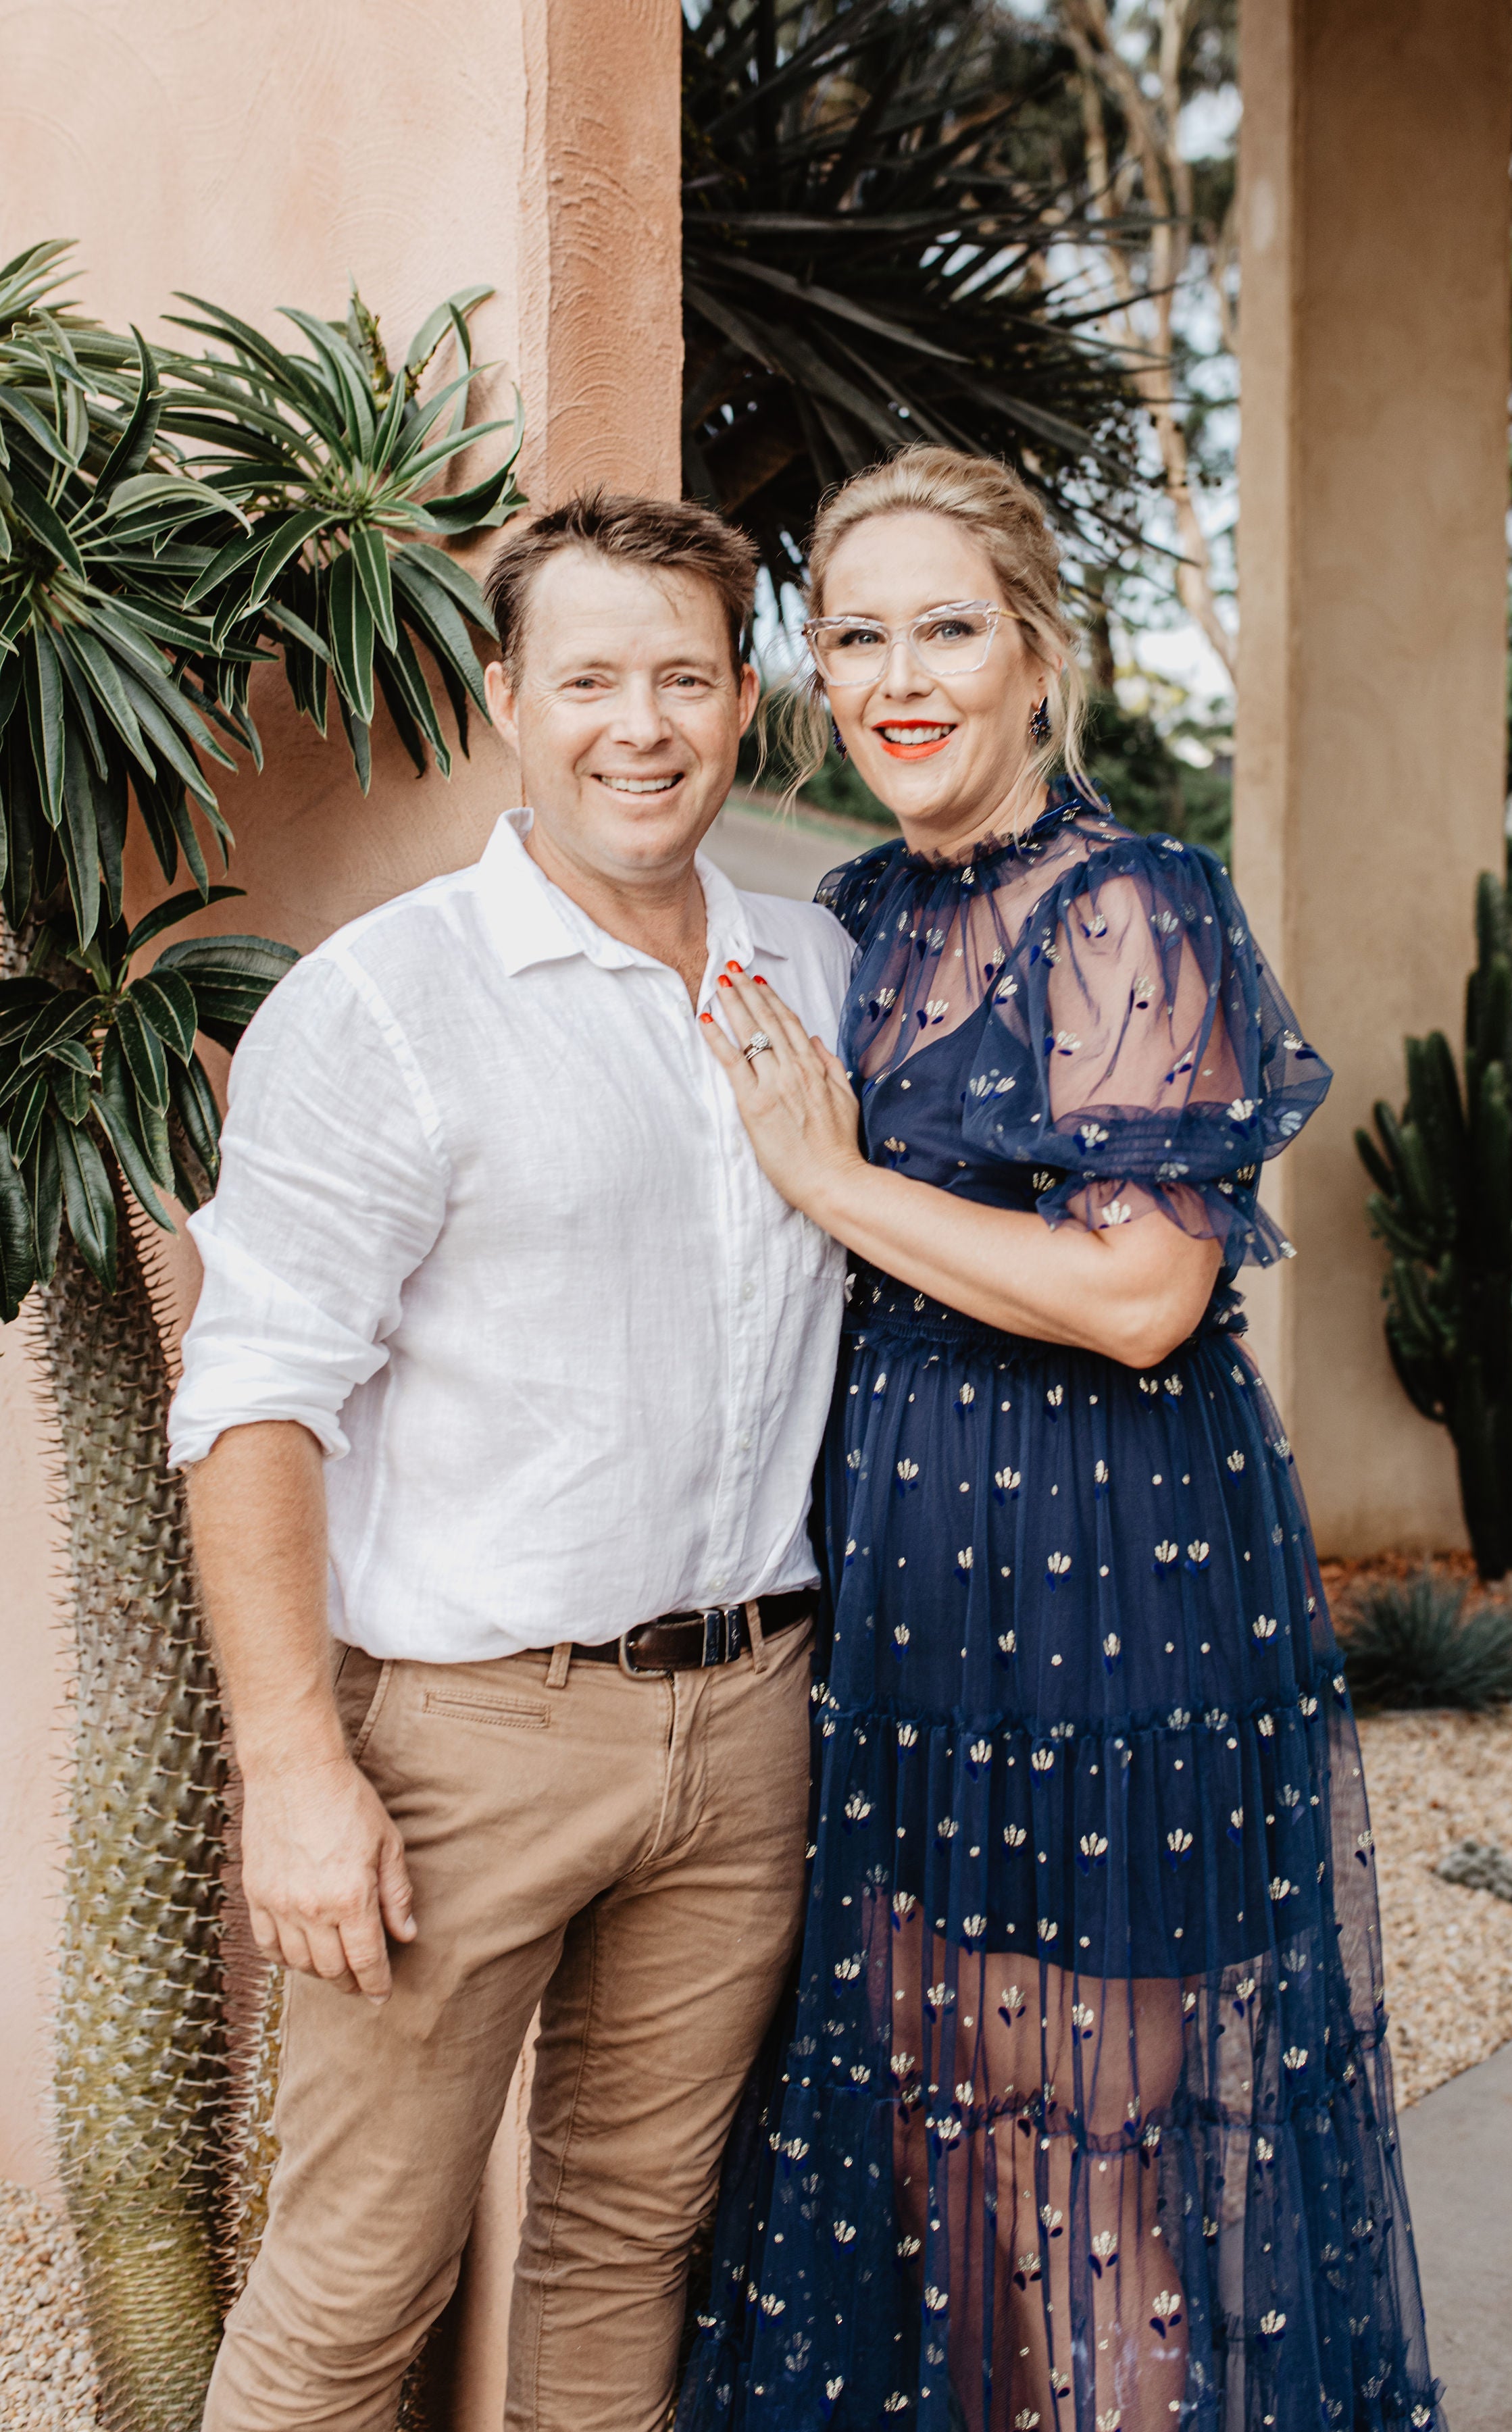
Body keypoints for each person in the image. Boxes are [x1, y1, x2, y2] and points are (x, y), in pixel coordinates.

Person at [679, 447, 1443, 2432]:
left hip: (1107, 1597)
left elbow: (1140, 1295)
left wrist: (830, 1181)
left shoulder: (1127, 905)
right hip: (907, 1610)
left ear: (1037, 657)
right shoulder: (863, 910)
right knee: (940, 2138)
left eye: (948, 629)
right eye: (858, 636)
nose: (898, 678)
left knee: (1092, 2169)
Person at [169, 491, 857, 2432]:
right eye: (588, 679)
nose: (639, 726)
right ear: (505, 699)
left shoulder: (817, 970)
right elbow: (254, 1396)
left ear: (743, 703)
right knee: (354, 2289)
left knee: (630, 2248)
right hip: (464, 1741)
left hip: (750, 1725)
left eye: (684, 679)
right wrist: (294, 1773)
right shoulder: (387, 1005)